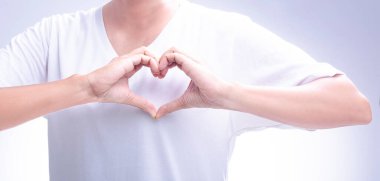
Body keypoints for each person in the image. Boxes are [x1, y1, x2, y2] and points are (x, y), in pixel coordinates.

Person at [0, 0, 372, 180]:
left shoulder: (224, 33)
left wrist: (227, 95)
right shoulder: (54, 37)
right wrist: (84, 88)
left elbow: (352, 106)